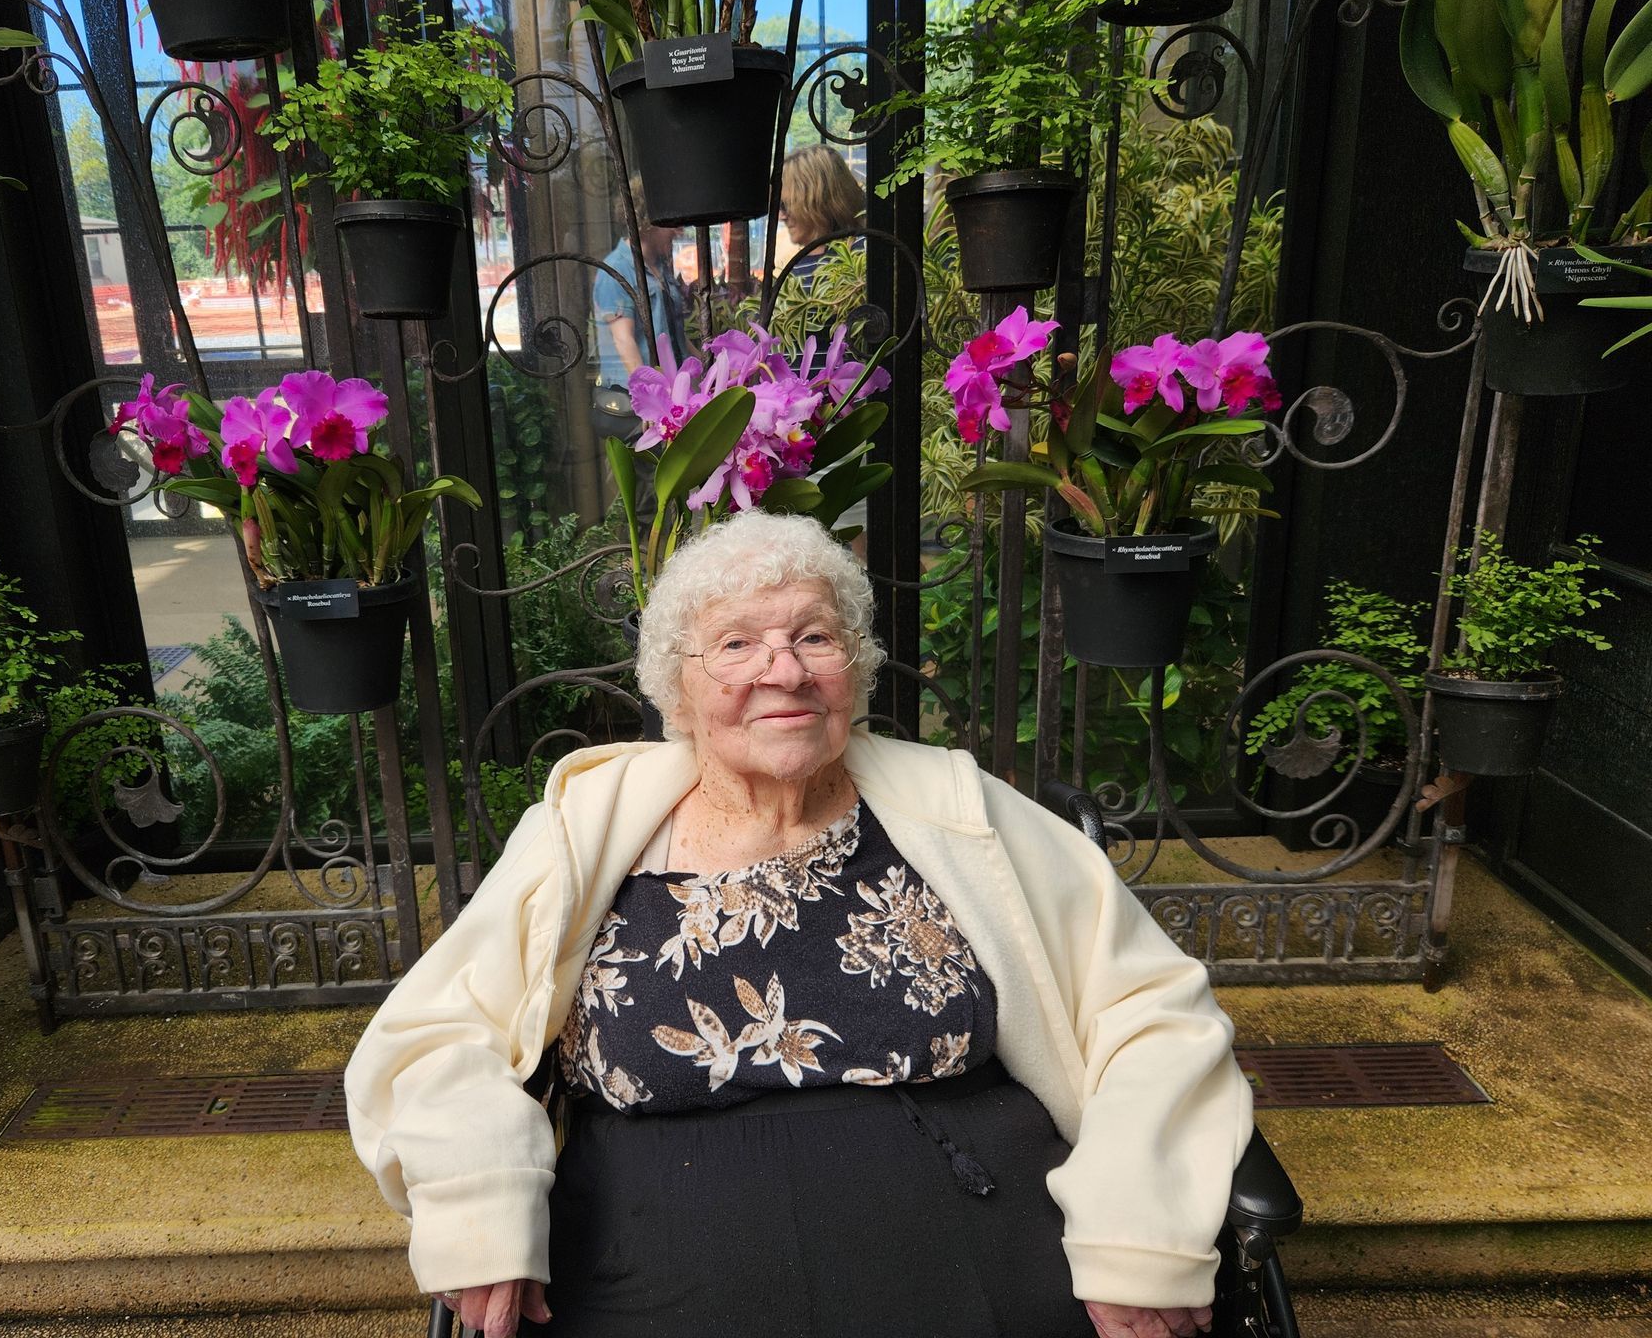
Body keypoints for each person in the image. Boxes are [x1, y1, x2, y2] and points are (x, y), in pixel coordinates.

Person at [345, 511, 1253, 1338]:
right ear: (678, 687)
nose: (783, 671)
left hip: (976, 1233)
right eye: (736, 644)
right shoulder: (591, 827)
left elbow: (1151, 1014)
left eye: (814, 637)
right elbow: (441, 1035)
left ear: (853, 666)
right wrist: (479, 1203)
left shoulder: (954, 809)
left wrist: (1139, 1228)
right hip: (647, 1255)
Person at [591, 177, 687, 446]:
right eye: (670, 222)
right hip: (639, 407)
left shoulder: (659, 267)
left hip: (668, 399)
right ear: (648, 220)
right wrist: (650, 399)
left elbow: (672, 331)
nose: (678, 231)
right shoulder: (617, 270)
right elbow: (624, 340)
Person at [780, 143, 865, 288]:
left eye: (785, 205)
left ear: (817, 201)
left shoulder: (863, 253)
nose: (782, 216)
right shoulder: (796, 270)